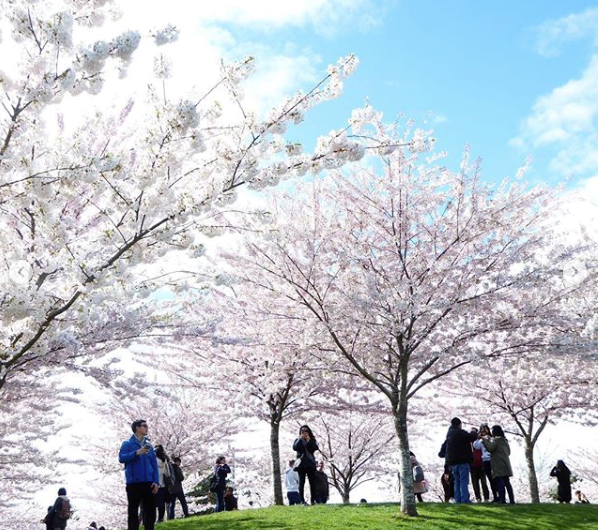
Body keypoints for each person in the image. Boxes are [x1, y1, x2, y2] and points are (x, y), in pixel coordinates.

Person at [118, 419, 160, 530]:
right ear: (137, 428)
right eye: (144, 426)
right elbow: (122, 458)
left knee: (150, 512)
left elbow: (154, 464)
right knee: (133, 512)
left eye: (147, 426)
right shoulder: (127, 443)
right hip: (134, 483)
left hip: (149, 483)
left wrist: (156, 482)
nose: (147, 428)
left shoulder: (149, 445)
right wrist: (136, 453)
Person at [443, 417, 478, 503]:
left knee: (456, 481)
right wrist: (474, 431)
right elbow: (471, 437)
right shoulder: (460, 432)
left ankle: (458, 499)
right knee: (464, 481)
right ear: (459, 424)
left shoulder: (449, 434)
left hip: (452, 462)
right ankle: (465, 499)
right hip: (462, 461)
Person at [481, 425, 514, 504]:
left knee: (500, 481)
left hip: (498, 464)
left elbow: (490, 448)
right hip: (506, 463)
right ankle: (512, 500)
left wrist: (485, 440)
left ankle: (502, 500)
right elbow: (509, 452)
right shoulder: (505, 440)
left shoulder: (496, 440)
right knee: (507, 482)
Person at [292, 425, 319, 505]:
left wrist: (309, 440)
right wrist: (301, 439)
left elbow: (315, 448)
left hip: (310, 464)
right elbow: (295, 447)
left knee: (312, 482)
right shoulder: (297, 440)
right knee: (301, 482)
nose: (304, 433)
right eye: (303, 431)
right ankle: (302, 500)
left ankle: (313, 500)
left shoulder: (312, 440)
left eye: (306, 431)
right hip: (301, 465)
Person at [476, 423, 498, 502]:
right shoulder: (481, 440)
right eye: (482, 430)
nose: (484, 432)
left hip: (493, 460)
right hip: (485, 461)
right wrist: (478, 438)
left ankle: (499, 496)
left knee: (496, 479)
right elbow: (476, 446)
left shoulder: (492, 438)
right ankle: (495, 496)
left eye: (485, 430)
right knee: (491, 480)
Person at [470, 428, 490, 502]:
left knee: (483, 481)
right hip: (473, 464)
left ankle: (486, 497)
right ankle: (478, 497)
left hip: (481, 463)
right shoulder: (468, 441)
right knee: (475, 482)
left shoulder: (480, 440)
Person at [155, 445, 172, 522]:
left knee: (158, 502)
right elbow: (168, 473)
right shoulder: (164, 460)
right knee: (163, 502)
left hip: (156, 484)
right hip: (164, 484)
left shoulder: (154, 460)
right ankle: (161, 518)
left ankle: (156, 519)